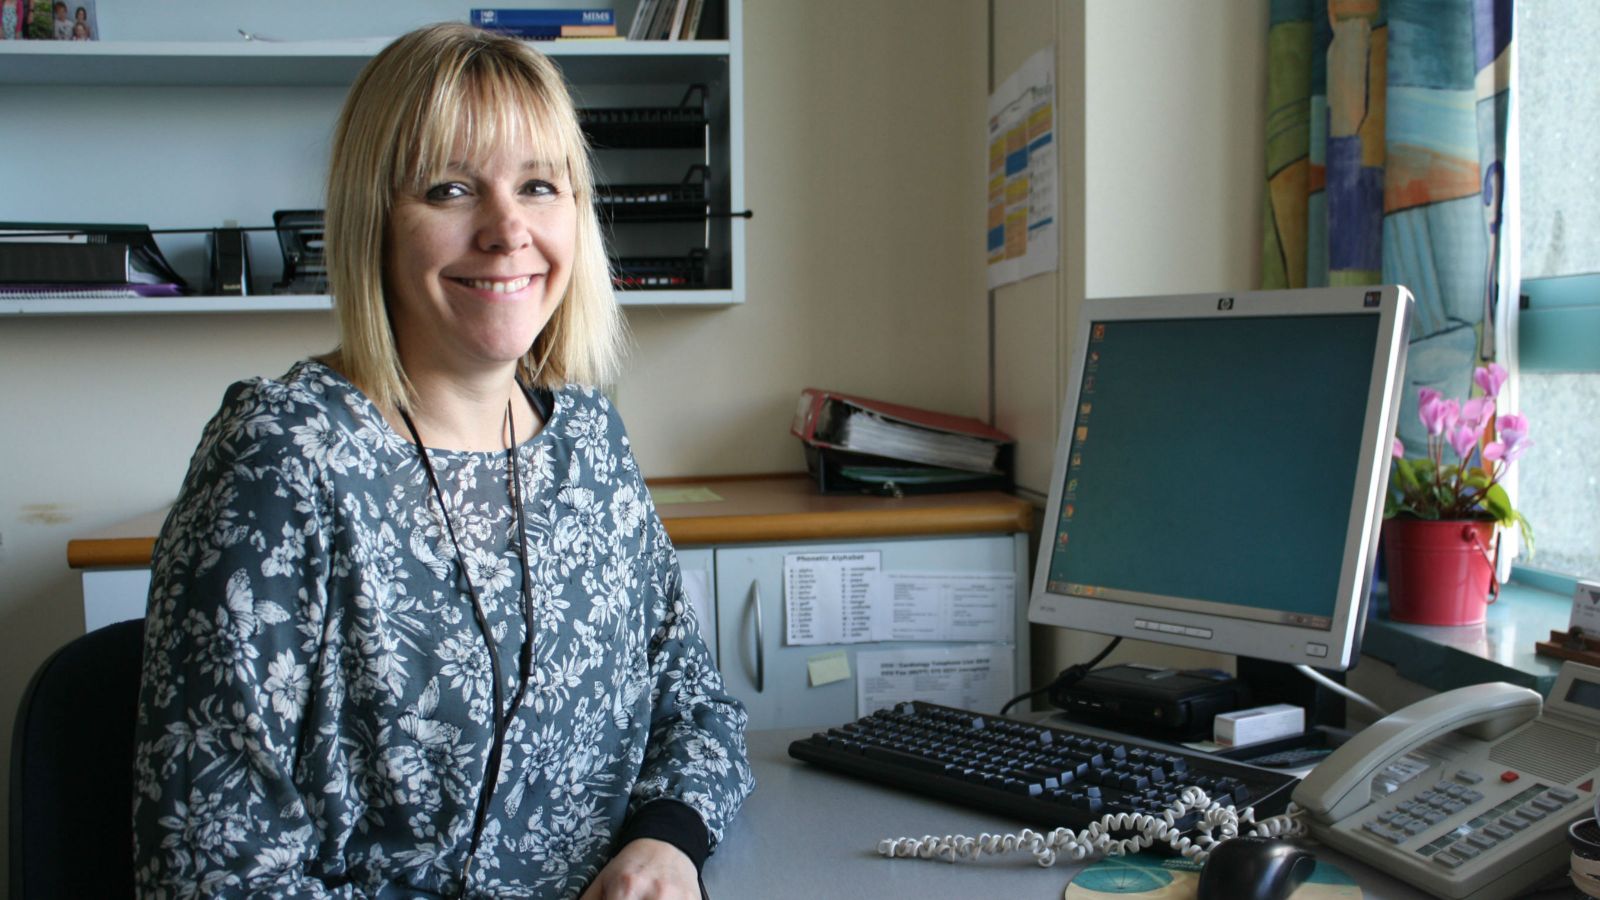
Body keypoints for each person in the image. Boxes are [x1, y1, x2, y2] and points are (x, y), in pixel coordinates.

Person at [132, 22, 753, 899]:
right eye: (452, 189)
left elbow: (694, 709)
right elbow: (211, 870)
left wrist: (668, 841)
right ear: (373, 220)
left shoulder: (590, 441)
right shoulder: (283, 458)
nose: (507, 230)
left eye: (540, 186)